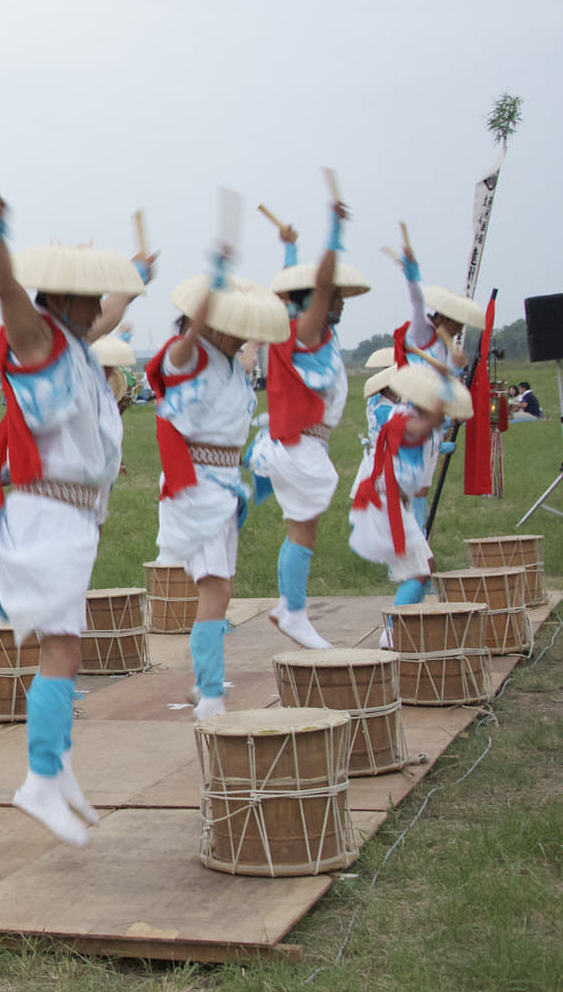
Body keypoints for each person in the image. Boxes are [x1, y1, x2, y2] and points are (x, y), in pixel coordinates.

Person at [0, 187, 146, 847]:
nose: (99, 309)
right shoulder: (35, 336)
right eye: (89, 299)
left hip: (70, 519)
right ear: (63, 299)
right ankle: (39, 778)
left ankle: (59, 764)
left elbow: (113, 311)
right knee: (61, 649)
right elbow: (8, 289)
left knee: (67, 647)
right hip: (44, 518)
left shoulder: (76, 340)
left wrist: (138, 276)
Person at [148, 267, 289, 721]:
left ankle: (204, 684)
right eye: (234, 326)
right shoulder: (187, 356)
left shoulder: (231, 362)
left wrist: (263, 324)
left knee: (221, 591)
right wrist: (203, 310)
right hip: (197, 487)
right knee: (216, 589)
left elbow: (248, 357)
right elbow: (180, 351)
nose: (241, 336)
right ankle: (210, 694)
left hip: (225, 486)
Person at [253, 203, 370, 651]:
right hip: (300, 445)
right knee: (303, 530)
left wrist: (290, 249)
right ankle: (293, 610)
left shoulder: (299, 329)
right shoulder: (304, 331)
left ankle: (290, 606)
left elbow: (295, 285)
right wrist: (336, 230)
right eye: (334, 296)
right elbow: (316, 284)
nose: (338, 301)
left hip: (298, 444)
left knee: (302, 528)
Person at [350, 364, 471, 637]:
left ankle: (405, 627)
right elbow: (420, 429)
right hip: (385, 503)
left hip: (390, 501)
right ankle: (393, 632)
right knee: (420, 570)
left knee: (425, 567)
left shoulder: (406, 418)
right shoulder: (398, 416)